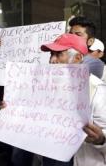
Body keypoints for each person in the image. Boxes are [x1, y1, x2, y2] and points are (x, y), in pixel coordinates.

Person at [41, 33, 106, 166]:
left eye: (59, 54)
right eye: (51, 54)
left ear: (77, 58)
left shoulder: (98, 92)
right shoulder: (46, 87)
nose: (52, 60)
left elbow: (103, 136)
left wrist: (101, 140)